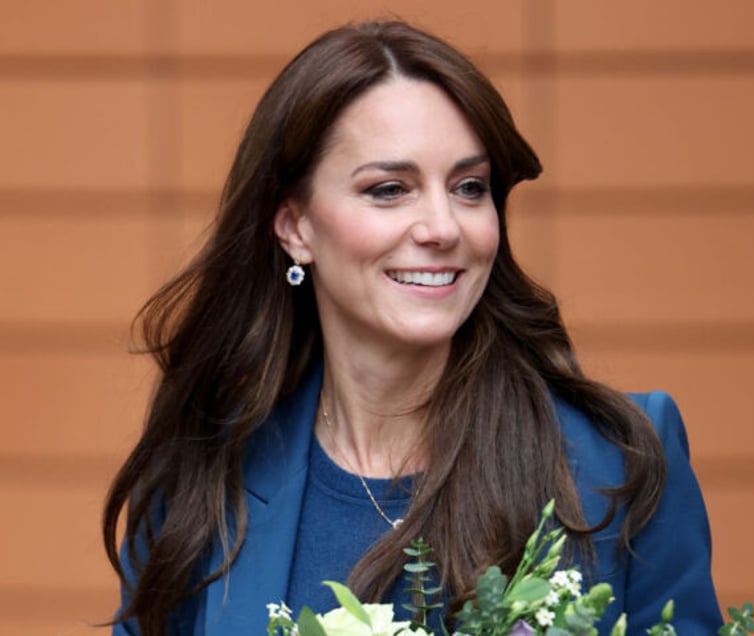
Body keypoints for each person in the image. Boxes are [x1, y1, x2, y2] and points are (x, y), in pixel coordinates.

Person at [103, 20, 722, 636]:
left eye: (469, 187)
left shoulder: (623, 460)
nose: (442, 227)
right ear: (296, 227)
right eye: (390, 189)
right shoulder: (200, 480)